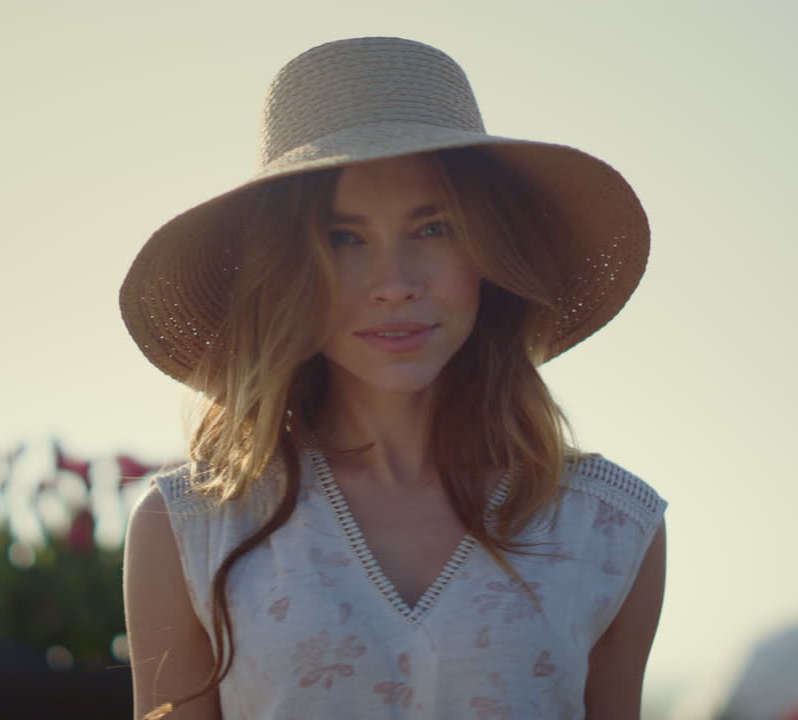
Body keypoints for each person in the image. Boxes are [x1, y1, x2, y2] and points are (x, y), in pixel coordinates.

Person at [120, 37, 668, 719]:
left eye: (434, 228)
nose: (395, 284)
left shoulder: (608, 529)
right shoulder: (193, 528)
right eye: (344, 238)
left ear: (489, 249)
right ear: (287, 271)